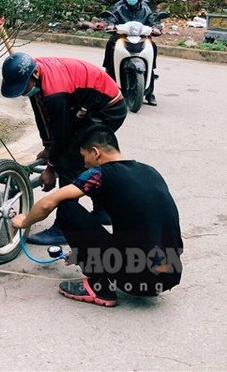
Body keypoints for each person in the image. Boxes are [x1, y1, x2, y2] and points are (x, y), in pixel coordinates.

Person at [12, 124, 182, 307]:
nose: (84, 164)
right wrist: (86, 252)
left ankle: (99, 286)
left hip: (138, 279)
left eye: (84, 156)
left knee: (67, 208)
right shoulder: (149, 171)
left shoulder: (100, 174)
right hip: (170, 274)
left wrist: (24, 221)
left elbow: (48, 203)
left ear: (95, 152)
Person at [0, 53, 127, 244]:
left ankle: (64, 228)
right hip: (87, 103)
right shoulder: (37, 74)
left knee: (70, 161)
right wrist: (47, 146)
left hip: (108, 108)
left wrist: (52, 167)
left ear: (34, 75)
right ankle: (103, 211)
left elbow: (62, 132)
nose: (23, 92)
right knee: (78, 157)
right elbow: (41, 114)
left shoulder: (55, 93)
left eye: (23, 88)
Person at [102, 0, 161, 105]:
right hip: (122, 36)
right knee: (111, 44)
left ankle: (150, 93)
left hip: (141, 37)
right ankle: (109, 67)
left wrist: (156, 28)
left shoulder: (145, 9)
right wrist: (110, 26)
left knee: (153, 47)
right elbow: (111, 19)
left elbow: (152, 22)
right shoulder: (120, 7)